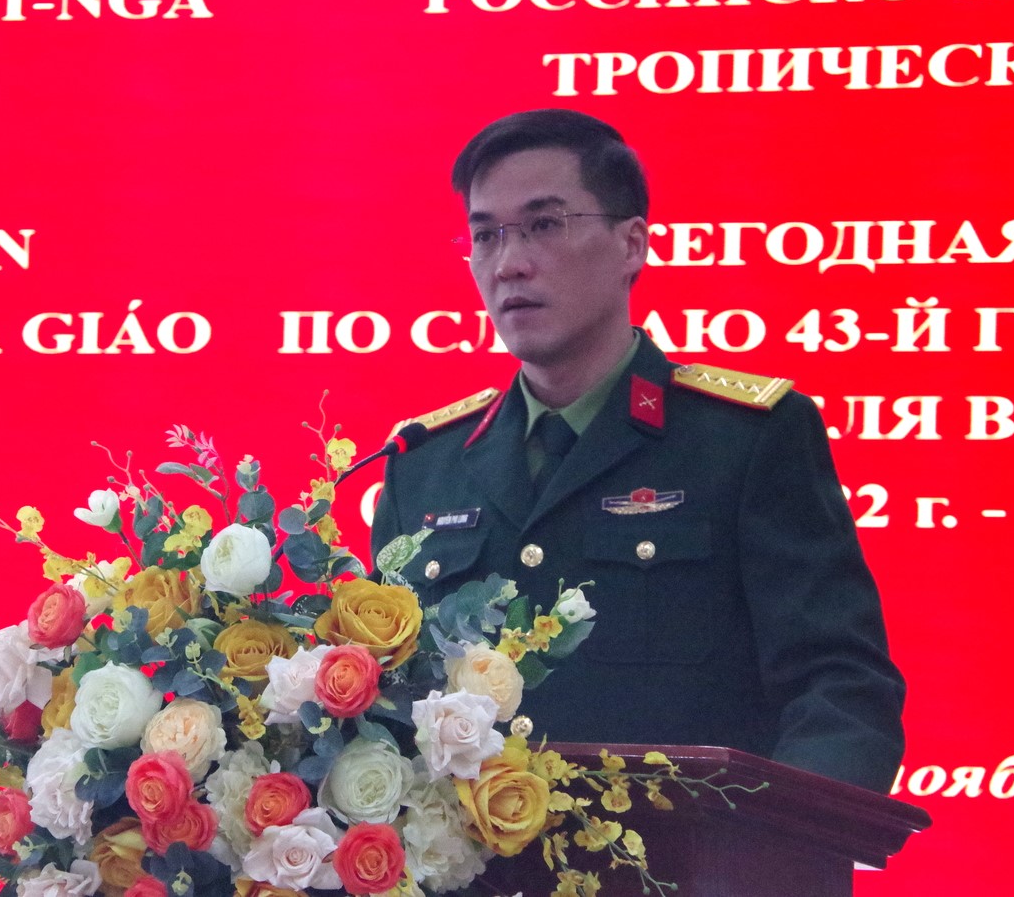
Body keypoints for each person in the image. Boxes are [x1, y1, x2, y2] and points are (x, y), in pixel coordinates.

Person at [371, 109, 905, 793]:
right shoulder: (423, 466)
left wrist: (778, 841)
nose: (509, 263)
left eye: (545, 224)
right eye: (485, 235)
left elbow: (841, 692)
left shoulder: (745, 440)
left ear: (632, 245)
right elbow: (384, 711)